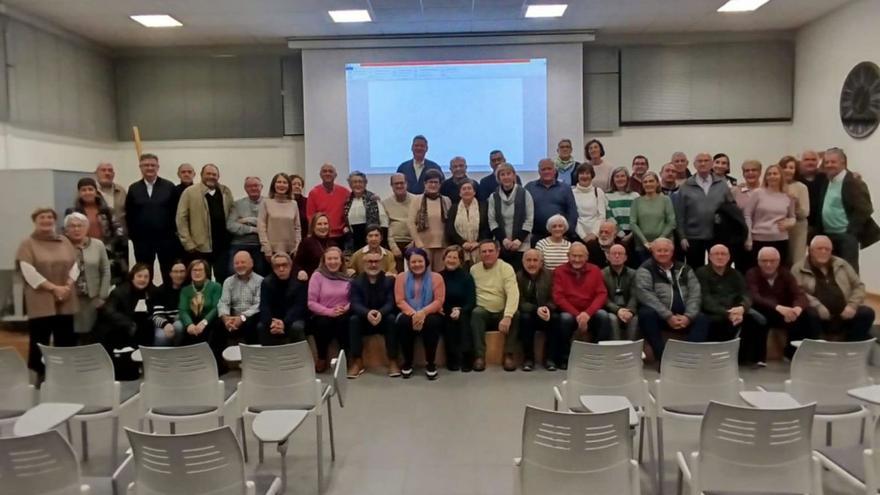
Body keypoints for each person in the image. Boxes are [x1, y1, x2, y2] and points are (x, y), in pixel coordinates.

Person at [16, 208, 78, 376]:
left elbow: (75, 265)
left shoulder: (64, 241)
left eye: (50, 217)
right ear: (35, 221)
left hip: (65, 296)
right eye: (42, 217)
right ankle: (39, 377)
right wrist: (54, 288)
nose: (46, 220)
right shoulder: (27, 244)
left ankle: (65, 374)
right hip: (41, 297)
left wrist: (67, 286)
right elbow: (29, 272)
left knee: (66, 339)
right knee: (39, 339)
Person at [635, 238, 709, 360]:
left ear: (672, 252)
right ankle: (663, 358)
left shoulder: (685, 269)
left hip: (684, 315)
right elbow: (646, 295)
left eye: (666, 250)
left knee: (702, 318)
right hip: (661, 316)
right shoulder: (645, 269)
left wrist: (688, 316)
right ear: (652, 251)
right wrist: (668, 316)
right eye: (659, 250)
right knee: (645, 313)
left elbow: (695, 293)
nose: (663, 253)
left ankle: (687, 357)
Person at [792, 236, 874, 342]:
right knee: (808, 313)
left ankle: (851, 345)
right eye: (819, 248)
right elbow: (798, 292)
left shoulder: (842, 264)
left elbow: (859, 286)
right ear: (810, 251)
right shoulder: (798, 268)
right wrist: (818, 306)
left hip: (844, 313)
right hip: (819, 316)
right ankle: (818, 346)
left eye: (827, 249)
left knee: (867, 313)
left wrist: (852, 305)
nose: (823, 252)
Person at [746, 247, 819, 360]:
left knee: (808, 314)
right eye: (764, 261)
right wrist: (778, 307)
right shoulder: (752, 274)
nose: (768, 264)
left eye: (772, 261)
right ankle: (757, 358)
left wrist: (797, 309)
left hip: (784, 313)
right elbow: (755, 297)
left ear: (778, 261)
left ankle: (802, 353)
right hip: (763, 311)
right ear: (758, 261)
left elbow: (799, 294)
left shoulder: (785, 273)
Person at [818, 147, 880, 273]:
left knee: (848, 273)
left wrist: (850, 232)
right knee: (829, 273)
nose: (829, 165)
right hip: (828, 236)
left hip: (846, 237)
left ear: (843, 163)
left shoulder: (853, 182)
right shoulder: (826, 180)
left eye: (833, 162)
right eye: (827, 162)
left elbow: (865, 209)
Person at [695, 245, 761, 363]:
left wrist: (742, 308)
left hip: (735, 310)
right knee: (719, 321)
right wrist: (727, 313)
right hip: (713, 311)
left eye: (723, 254)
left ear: (729, 257)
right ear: (709, 257)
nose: (720, 257)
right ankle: (719, 359)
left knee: (754, 320)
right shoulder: (701, 273)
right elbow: (705, 299)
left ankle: (745, 359)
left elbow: (746, 294)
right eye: (716, 254)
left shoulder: (736, 274)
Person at [176, 164, 235, 281]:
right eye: (208, 174)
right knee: (201, 281)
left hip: (222, 247)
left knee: (223, 280)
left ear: (218, 176)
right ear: (201, 175)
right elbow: (181, 218)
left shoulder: (225, 192)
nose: (211, 177)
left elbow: (232, 213)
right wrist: (188, 243)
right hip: (199, 247)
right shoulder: (190, 192)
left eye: (214, 174)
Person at [394, 247, 446, 379]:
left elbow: (439, 301)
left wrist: (422, 312)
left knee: (431, 323)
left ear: (426, 262)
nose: (417, 265)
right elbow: (399, 301)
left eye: (420, 261)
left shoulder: (436, 277)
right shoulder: (401, 278)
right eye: (413, 262)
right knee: (404, 322)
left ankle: (430, 363)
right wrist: (414, 314)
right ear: (409, 264)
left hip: (431, 312)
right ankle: (407, 362)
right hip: (409, 312)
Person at [676, 152, 735, 268]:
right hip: (693, 236)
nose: (703, 163)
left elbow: (731, 209)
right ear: (694, 165)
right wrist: (682, 236)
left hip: (716, 234)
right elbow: (680, 214)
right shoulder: (686, 186)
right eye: (700, 161)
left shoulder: (722, 185)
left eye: (706, 160)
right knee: (695, 268)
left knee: (717, 268)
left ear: (712, 163)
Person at [470, 239, 520, 372]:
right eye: (484, 251)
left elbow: (513, 293)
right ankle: (479, 357)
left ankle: (508, 355)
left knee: (516, 314)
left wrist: (508, 316)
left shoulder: (506, 268)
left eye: (491, 251)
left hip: (501, 312)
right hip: (483, 311)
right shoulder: (474, 270)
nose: (487, 254)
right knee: (476, 313)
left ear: (498, 252)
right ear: (480, 254)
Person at [126, 153, 179, 280]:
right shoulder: (134, 188)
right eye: (146, 165)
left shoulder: (169, 186)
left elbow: (176, 212)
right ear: (140, 167)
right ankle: (148, 298)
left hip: (166, 240)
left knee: (168, 271)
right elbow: (129, 214)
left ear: (158, 167)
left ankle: (168, 298)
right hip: (142, 241)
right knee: (145, 272)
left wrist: (174, 234)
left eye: (152, 165)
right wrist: (134, 237)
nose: (149, 168)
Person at [66, 177, 127, 285]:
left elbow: (118, 229)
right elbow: (68, 233)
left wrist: (111, 245)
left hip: (106, 251)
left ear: (96, 191)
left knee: (107, 283)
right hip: (83, 253)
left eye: (90, 189)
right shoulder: (72, 212)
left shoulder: (107, 210)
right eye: (83, 190)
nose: (87, 192)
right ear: (79, 193)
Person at [348, 251, 399, 378]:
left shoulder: (389, 281)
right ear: (364, 263)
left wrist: (381, 313)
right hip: (365, 319)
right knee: (354, 320)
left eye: (376, 262)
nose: (373, 265)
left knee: (391, 319)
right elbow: (355, 303)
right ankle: (357, 361)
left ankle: (393, 360)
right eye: (370, 262)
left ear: (381, 263)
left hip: (383, 318)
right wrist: (367, 313)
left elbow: (391, 302)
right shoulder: (356, 281)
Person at [553, 243, 610, 353]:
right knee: (565, 319)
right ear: (568, 256)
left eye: (580, 256)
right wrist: (578, 315)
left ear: (587, 257)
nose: (577, 259)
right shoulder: (559, 271)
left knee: (603, 316)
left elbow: (601, 294)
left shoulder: (595, 270)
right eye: (574, 256)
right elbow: (558, 297)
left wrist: (587, 313)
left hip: (590, 313)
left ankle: (599, 354)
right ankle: (565, 356)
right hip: (570, 312)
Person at [64, 212, 111, 343]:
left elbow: (105, 271)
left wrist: (102, 296)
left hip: (92, 298)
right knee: (70, 336)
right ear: (66, 230)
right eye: (72, 226)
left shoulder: (98, 245)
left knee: (92, 336)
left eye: (80, 225)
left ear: (87, 227)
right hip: (70, 299)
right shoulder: (61, 245)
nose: (76, 229)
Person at [307, 247, 351, 373]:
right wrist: (330, 312)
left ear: (341, 261)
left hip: (343, 312)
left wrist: (344, 309)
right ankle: (321, 358)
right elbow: (311, 303)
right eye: (329, 259)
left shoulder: (347, 277)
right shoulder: (317, 276)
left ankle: (345, 358)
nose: (333, 262)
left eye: (336, 258)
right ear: (324, 261)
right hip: (323, 313)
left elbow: (353, 299)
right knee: (322, 323)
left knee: (346, 322)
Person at [743, 163, 796, 266]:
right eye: (769, 174)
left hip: (781, 239)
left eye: (775, 174)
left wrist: (790, 223)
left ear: (781, 176)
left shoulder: (788, 196)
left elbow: (793, 216)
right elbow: (747, 215)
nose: (772, 176)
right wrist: (748, 238)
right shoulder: (757, 193)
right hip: (758, 239)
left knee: (779, 272)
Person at [517, 249, 560, 371]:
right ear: (523, 261)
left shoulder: (550, 275)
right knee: (525, 318)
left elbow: (555, 297)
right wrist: (536, 309)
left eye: (535, 260)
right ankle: (528, 359)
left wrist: (548, 308)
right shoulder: (518, 276)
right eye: (528, 260)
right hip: (529, 313)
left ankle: (550, 359)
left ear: (541, 262)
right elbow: (519, 301)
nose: (532, 264)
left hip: (547, 312)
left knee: (556, 318)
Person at [178, 259, 226, 369]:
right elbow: (183, 310)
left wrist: (204, 322)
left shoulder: (216, 286)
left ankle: (214, 365)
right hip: (193, 322)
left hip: (210, 321)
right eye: (194, 270)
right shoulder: (185, 290)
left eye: (200, 270)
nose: (197, 273)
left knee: (218, 326)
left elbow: (216, 307)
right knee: (185, 330)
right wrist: (189, 324)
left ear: (206, 272)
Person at [97, 264, 158, 350]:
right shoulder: (119, 292)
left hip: (138, 329)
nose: (142, 279)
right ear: (132, 277)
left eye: (146, 277)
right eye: (139, 276)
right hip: (117, 330)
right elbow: (108, 311)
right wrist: (129, 323)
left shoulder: (150, 292)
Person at [488, 163, 534, 272]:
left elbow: (529, 219)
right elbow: (492, 221)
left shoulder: (525, 194)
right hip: (502, 244)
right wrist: (504, 240)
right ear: (498, 178)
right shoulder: (493, 197)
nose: (506, 177)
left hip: (521, 245)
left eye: (509, 173)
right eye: (502, 174)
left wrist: (518, 240)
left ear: (514, 175)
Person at [439, 245, 476, 372]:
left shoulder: (467, 277)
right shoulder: (438, 276)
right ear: (444, 259)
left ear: (460, 260)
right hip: (444, 309)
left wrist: (461, 310)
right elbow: (437, 297)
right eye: (449, 257)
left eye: (455, 257)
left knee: (464, 319)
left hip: (463, 309)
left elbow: (471, 300)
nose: (451, 260)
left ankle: (467, 356)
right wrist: (447, 310)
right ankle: (452, 357)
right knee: (448, 321)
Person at [258, 253, 307, 346]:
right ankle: (268, 357)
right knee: (261, 326)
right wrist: (271, 322)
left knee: (297, 327)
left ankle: (298, 358)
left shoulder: (299, 281)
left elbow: (299, 307)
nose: (281, 269)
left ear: (290, 265)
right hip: (274, 320)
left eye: (284, 265)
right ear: (273, 268)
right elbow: (264, 306)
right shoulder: (266, 282)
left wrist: (284, 322)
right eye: (277, 266)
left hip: (293, 318)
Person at [525, 158, 578, 244]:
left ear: (554, 171)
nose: (546, 172)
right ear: (539, 172)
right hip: (536, 236)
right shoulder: (530, 187)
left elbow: (572, 213)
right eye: (543, 169)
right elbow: (523, 212)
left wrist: (567, 233)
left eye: (549, 169)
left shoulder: (565, 188)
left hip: (560, 236)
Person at [407, 169, 450, 269]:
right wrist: (418, 242)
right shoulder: (417, 200)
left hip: (443, 245)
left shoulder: (446, 200)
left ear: (440, 184)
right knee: (425, 274)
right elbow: (410, 223)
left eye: (436, 182)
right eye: (430, 182)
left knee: (440, 275)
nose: (433, 185)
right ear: (425, 184)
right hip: (423, 246)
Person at [217, 251, 263, 346]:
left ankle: (252, 355)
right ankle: (221, 359)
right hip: (233, 317)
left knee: (252, 322)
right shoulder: (228, 281)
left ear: (251, 263)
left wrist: (242, 318)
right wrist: (226, 318)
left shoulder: (260, 281)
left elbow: (258, 305)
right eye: (236, 263)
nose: (239, 265)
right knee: (218, 323)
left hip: (251, 317)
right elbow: (223, 302)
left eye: (243, 262)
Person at [631, 171, 676, 263]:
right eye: (645, 182)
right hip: (643, 246)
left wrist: (658, 241)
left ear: (657, 183)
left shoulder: (665, 200)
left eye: (651, 181)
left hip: (663, 245)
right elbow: (633, 223)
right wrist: (645, 242)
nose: (648, 184)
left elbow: (672, 222)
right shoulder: (636, 201)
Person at [258, 173, 302, 264]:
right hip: (270, 251)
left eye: (285, 182)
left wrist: (297, 246)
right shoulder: (266, 202)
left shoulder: (293, 204)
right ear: (274, 185)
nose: (281, 185)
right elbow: (261, 227)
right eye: (279, 182)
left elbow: (297, 227)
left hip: (290, 251)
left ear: (289, 186)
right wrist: (267, 248)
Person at [227, 177, 267, 276]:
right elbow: (231, 225)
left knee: (261, 273)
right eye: (249, 186)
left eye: (256, 186)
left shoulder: (268, 203)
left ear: (261, 187)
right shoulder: (237, 204)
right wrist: (253, 229)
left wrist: (248, 220)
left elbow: (271, 225)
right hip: (240, 244)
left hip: (261, 244)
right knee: (233, 273)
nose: (253, 188)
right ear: (245, 188)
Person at [445, 181, 489, 266]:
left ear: (474, 192)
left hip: (479, 247)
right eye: (464, 189)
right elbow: (450, 229)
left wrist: (478, 242)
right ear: (460, 193)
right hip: (459, 249)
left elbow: (487, 227)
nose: (467, 191)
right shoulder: (454, 208)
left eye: (469, 188)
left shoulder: (483, 206)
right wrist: (463, 243)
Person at [343, 171, 388, 251]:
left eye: (360, 182)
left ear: (365, 183)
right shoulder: (347, 201)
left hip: (372, 240)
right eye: (354, 182)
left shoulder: (373, 199)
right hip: (354, 241)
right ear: (350, 184)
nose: (357, 184)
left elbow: (384, 222)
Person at [305, 163, 350, 243]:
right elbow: (311, 217)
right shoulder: (313, 193)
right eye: (324, 171)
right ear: (320, 175)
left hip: (341, 236)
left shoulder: (345, 192)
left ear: (335, 175)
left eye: (330, 171)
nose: (327, 173)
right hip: (321, 236)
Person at [602, 244, 638, 341]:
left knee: (635, 320)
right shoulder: (602, 274)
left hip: (628, 308)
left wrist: (629, 311)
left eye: (620, 254)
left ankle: (631, 349)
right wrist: (617, 310)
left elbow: (634, 295)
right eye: (614, 254)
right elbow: (603, 297)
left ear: (625, 257)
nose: (617, 256)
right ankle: (616, 348)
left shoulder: (633, 274)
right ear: (608, 257)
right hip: (611, 310)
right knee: (612, 318)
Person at [781, 156, 810, 267]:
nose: (787, 170)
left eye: (791, 167)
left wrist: (796, 203)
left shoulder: (801, 187)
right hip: (780, 229)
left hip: (797, 230)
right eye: (785, 167)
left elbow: (805, 213)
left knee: (796, 262)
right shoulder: (774, 186)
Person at [383, 174, 414, 273]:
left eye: (402, 183)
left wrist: (415, 243)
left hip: (413, 242)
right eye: (396, 184)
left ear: (407, 184)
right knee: (396, 275)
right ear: (391, 186)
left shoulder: (416, 201)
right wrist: (393, 247)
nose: (399, 186)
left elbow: (421, 225)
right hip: (395, 243)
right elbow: (386, 227)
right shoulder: (385, 203)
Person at [151, 261, 187, 346]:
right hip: (163, 323)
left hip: (181, 323)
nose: (179, 275)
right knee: (161, 336)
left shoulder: (188, 290)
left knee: (178, 326)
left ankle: (177, 353)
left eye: (182, 271)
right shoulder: (160, 291)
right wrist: (165, 325)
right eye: (175, 272)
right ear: (170, 273)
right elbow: (157, 315)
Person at [293, 213, 337, 281]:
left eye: (325, 224)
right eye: (319, 224)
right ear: (313, 227)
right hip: (311, 280)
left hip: (331, 280)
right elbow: (297, 264)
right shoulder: (306, 243)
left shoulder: (333, 244)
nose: (323, 227)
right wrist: (300, 271)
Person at [572, 163, 608, 245]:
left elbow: (602, 216)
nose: (585, 176)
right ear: (577, 176)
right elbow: (573, 217)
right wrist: (583, 236)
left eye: (587, 173)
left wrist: (594, 234)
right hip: (578, 236)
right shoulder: (571, 193)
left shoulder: (598, 192)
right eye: (582, 173)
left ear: (592, 175)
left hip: (596, 236)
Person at [605, 167, 640, 246]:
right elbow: (609, 216)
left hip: (633, 235)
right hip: (615, 235)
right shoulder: (607, 196)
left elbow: (639, 217)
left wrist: (630, 235)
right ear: (613, 179)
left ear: (627, 178)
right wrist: (620, 234)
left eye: (622, 176)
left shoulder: (635, 196)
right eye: (617, 176)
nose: (620, 179)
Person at [798, 149, 828, 240]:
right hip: (802, 227)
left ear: (818, 162)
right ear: (801, 162)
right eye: (807, 160)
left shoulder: (825, 178)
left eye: (813, 160)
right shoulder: (796, 179)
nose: (810, 162)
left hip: (823, 227)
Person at [95, 162, 126, 228]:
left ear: (113, 174)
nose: (107, 173)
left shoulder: (121, 191)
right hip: (99, 233)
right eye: (103, 170)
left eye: (110, 171)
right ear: (96, 173)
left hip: (120, 233)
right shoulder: (90, 191)